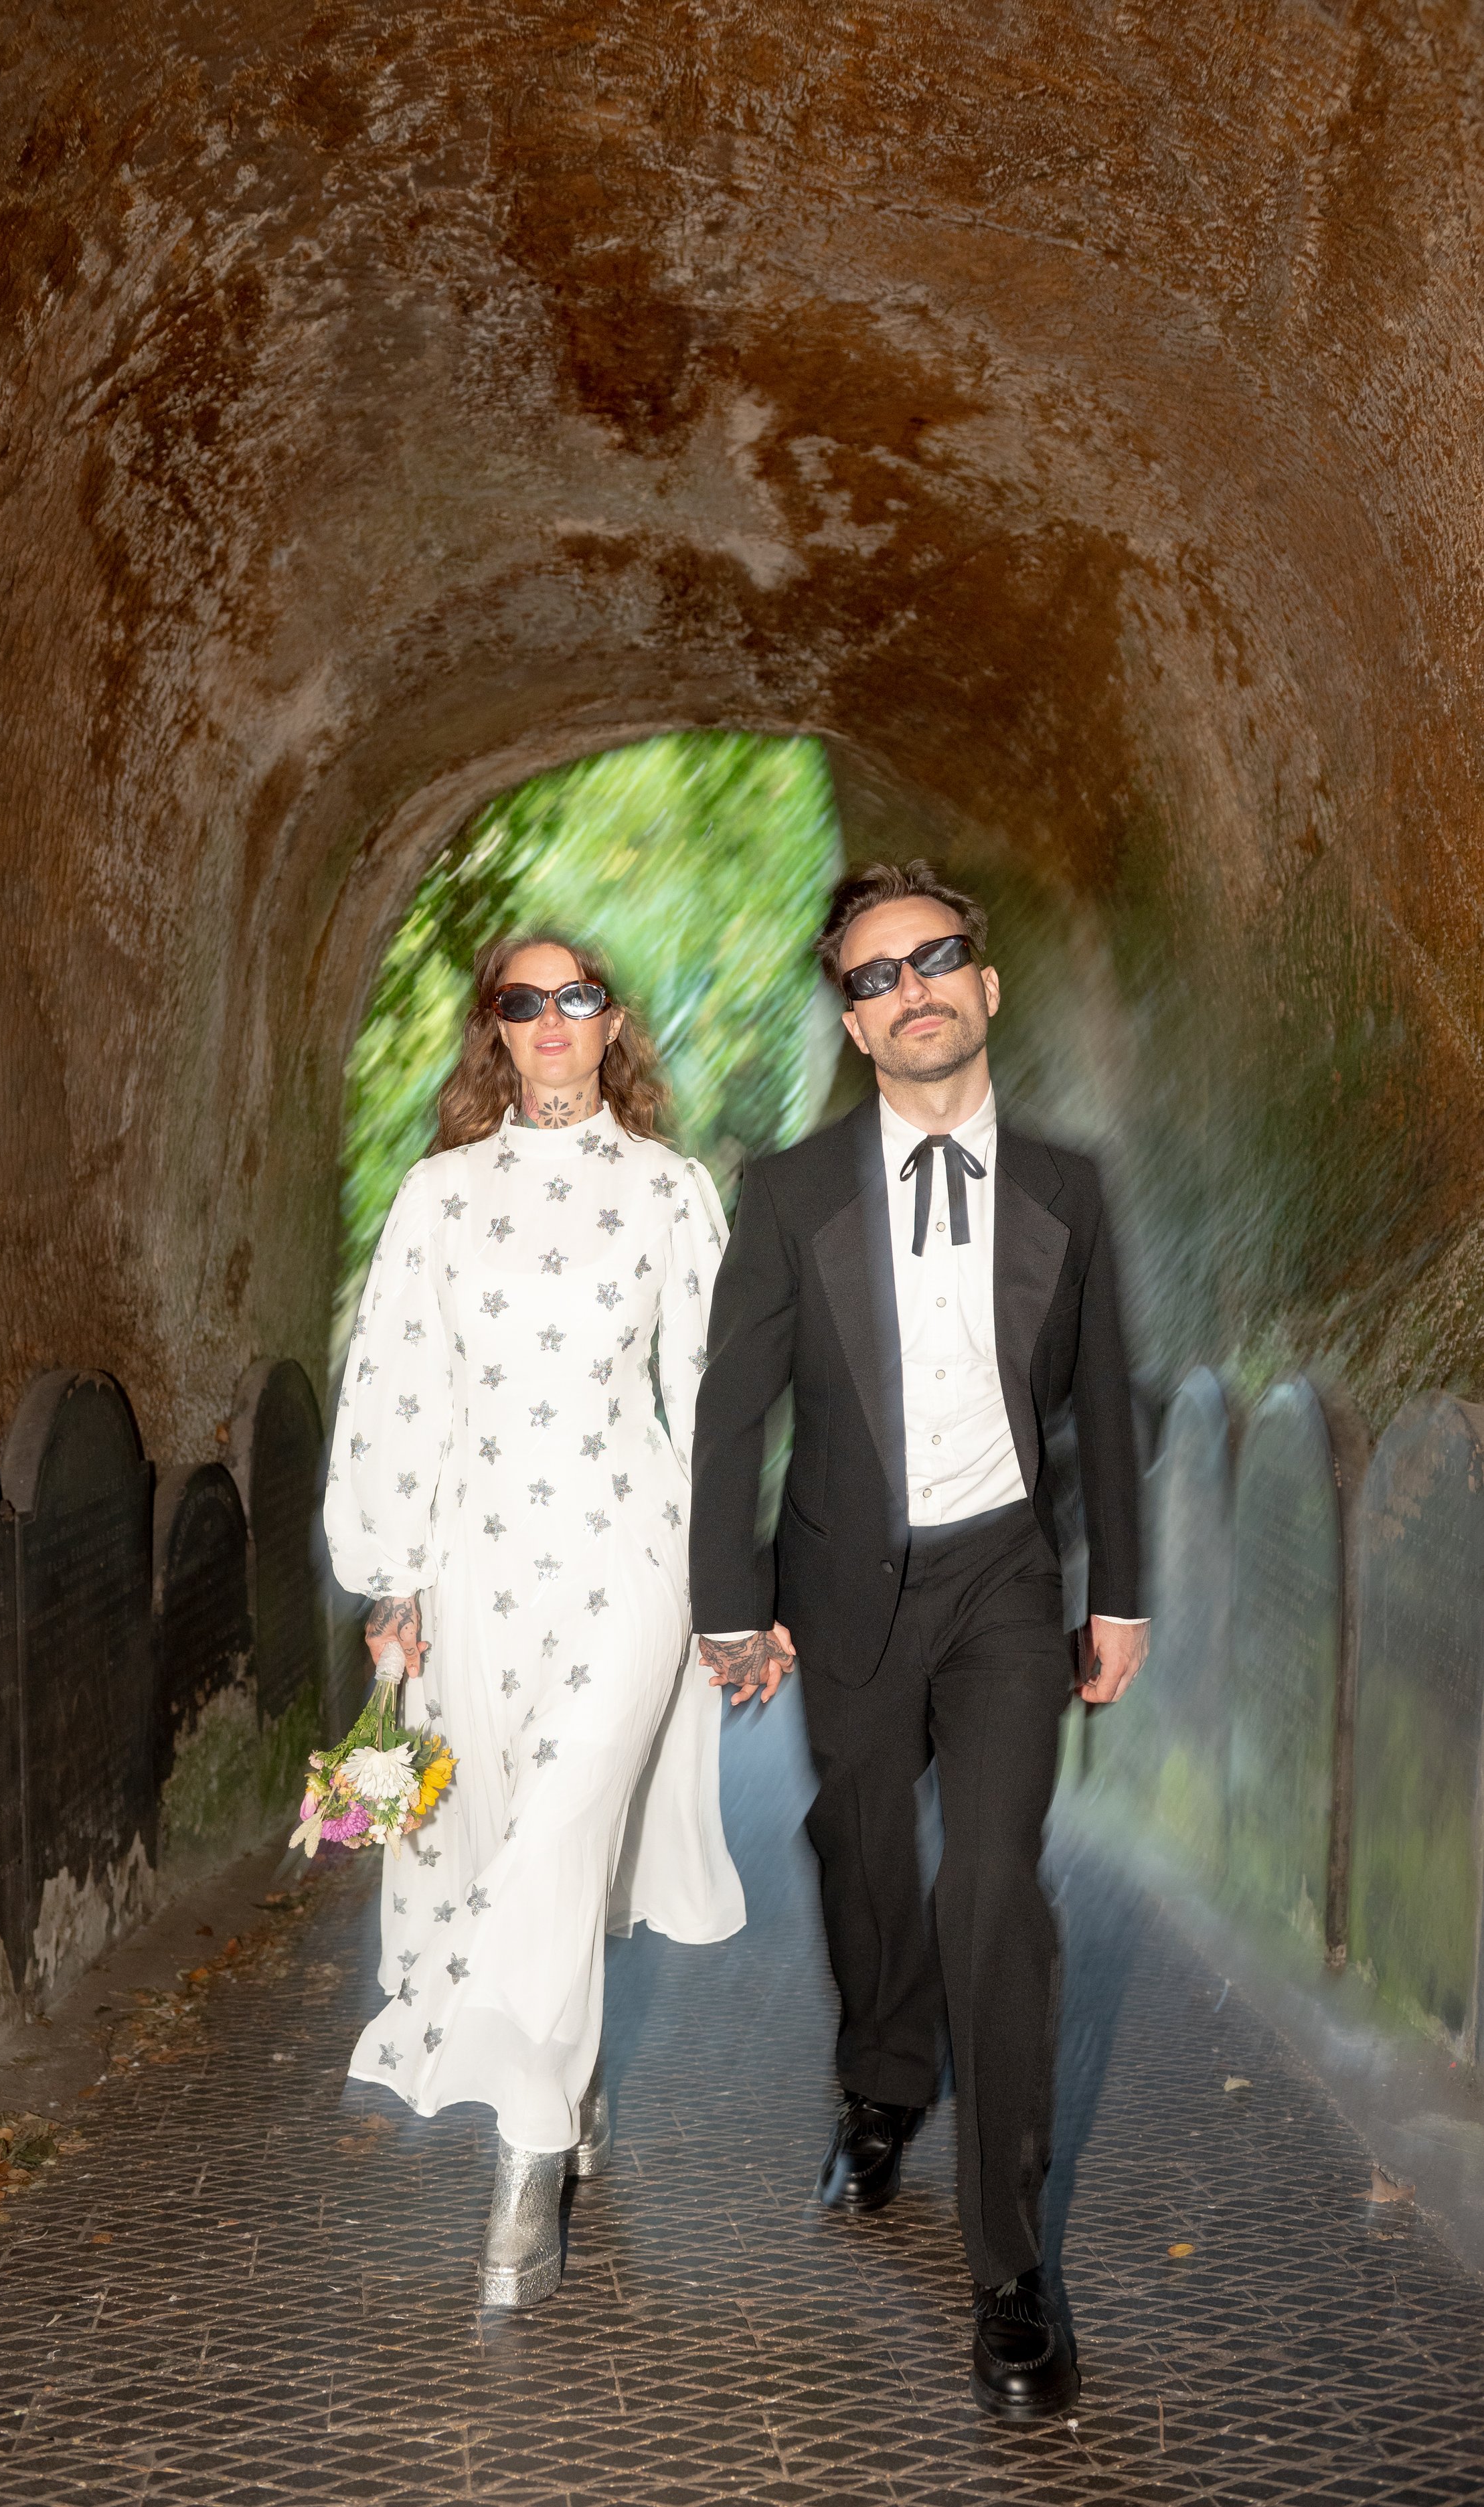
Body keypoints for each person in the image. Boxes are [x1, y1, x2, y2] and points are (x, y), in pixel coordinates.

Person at [689, 860, 1147, 2421]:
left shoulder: (1069, 1187)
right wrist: (722, 1599)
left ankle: (1008, 2270)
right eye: (877, 975)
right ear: (851, 1018)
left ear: (984, 983)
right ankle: (879, 2081)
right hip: (839, 1585)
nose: (912, 988)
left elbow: (1097, 1394)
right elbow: (731, 1411)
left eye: (935, 957)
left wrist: (1119, 1591)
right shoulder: (790, 1191)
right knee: (866, 1850)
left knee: (991, 1885)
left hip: (1008, 1583)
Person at [325, 933, 744, 2309]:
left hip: (630, 1561)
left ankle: (527, 2162)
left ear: (609, 1021)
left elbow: (714, 1395)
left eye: (575, 997)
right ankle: (570, 2069)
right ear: (492, 1032)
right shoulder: (437, 1199)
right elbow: (395, 1386)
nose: (551, 1020)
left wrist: (738, 1592)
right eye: (523, 1001)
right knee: (506, 1840)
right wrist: (391, 1577)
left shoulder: (670, 1193)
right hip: (476, 1568)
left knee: (559, 1835)